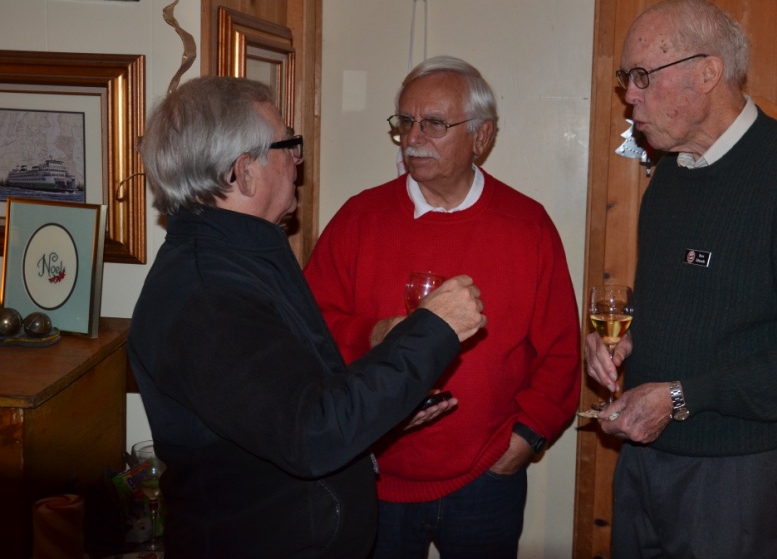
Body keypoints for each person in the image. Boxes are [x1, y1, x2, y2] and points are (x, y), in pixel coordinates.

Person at [128, 76, 487, 559]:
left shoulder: (248, 259)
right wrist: (433, 329)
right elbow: (311, 435)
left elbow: (300, 401)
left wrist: (384, 415)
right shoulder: (209, 298)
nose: (298, 159)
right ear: (244, 172)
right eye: (287, 144)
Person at [584, 0, 777, 558]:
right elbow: (693, 308)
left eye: (642, 76)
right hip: (646, 459)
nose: (629, 94)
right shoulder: (671, 174)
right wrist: (626, 343)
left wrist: (683, 397)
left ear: (708, 73)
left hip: (740, 479)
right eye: (626, 78)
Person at [304, 56, 580, 558]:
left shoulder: (527, 226)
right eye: (406, 122)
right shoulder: (359, 218)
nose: (413, 137)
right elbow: (308, 331)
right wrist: (374, 334)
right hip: (374, 474)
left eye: (433, 123)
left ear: (481, 135)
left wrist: (527, 437)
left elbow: (561, 352)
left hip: (486, 479)